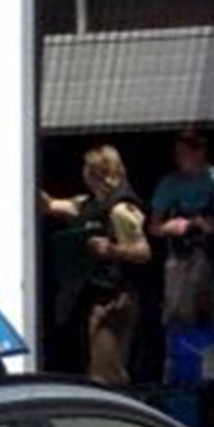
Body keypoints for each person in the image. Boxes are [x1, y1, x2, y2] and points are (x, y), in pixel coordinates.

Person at [41, 144, 152, 386]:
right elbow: (51, 205)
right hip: (93, 295)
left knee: (107, 370)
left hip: (115, 297)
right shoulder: (89, 204)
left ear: (95, 172)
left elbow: (143, 251)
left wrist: (111, 249)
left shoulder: (121, 209)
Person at [149, 128, 214, 332]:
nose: (178, 159)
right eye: (176, 154)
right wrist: (171, 226)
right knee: (179, 319)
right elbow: (154, 227)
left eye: (183, 153)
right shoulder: (170, 184)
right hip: (182, 260)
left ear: (200, 151)